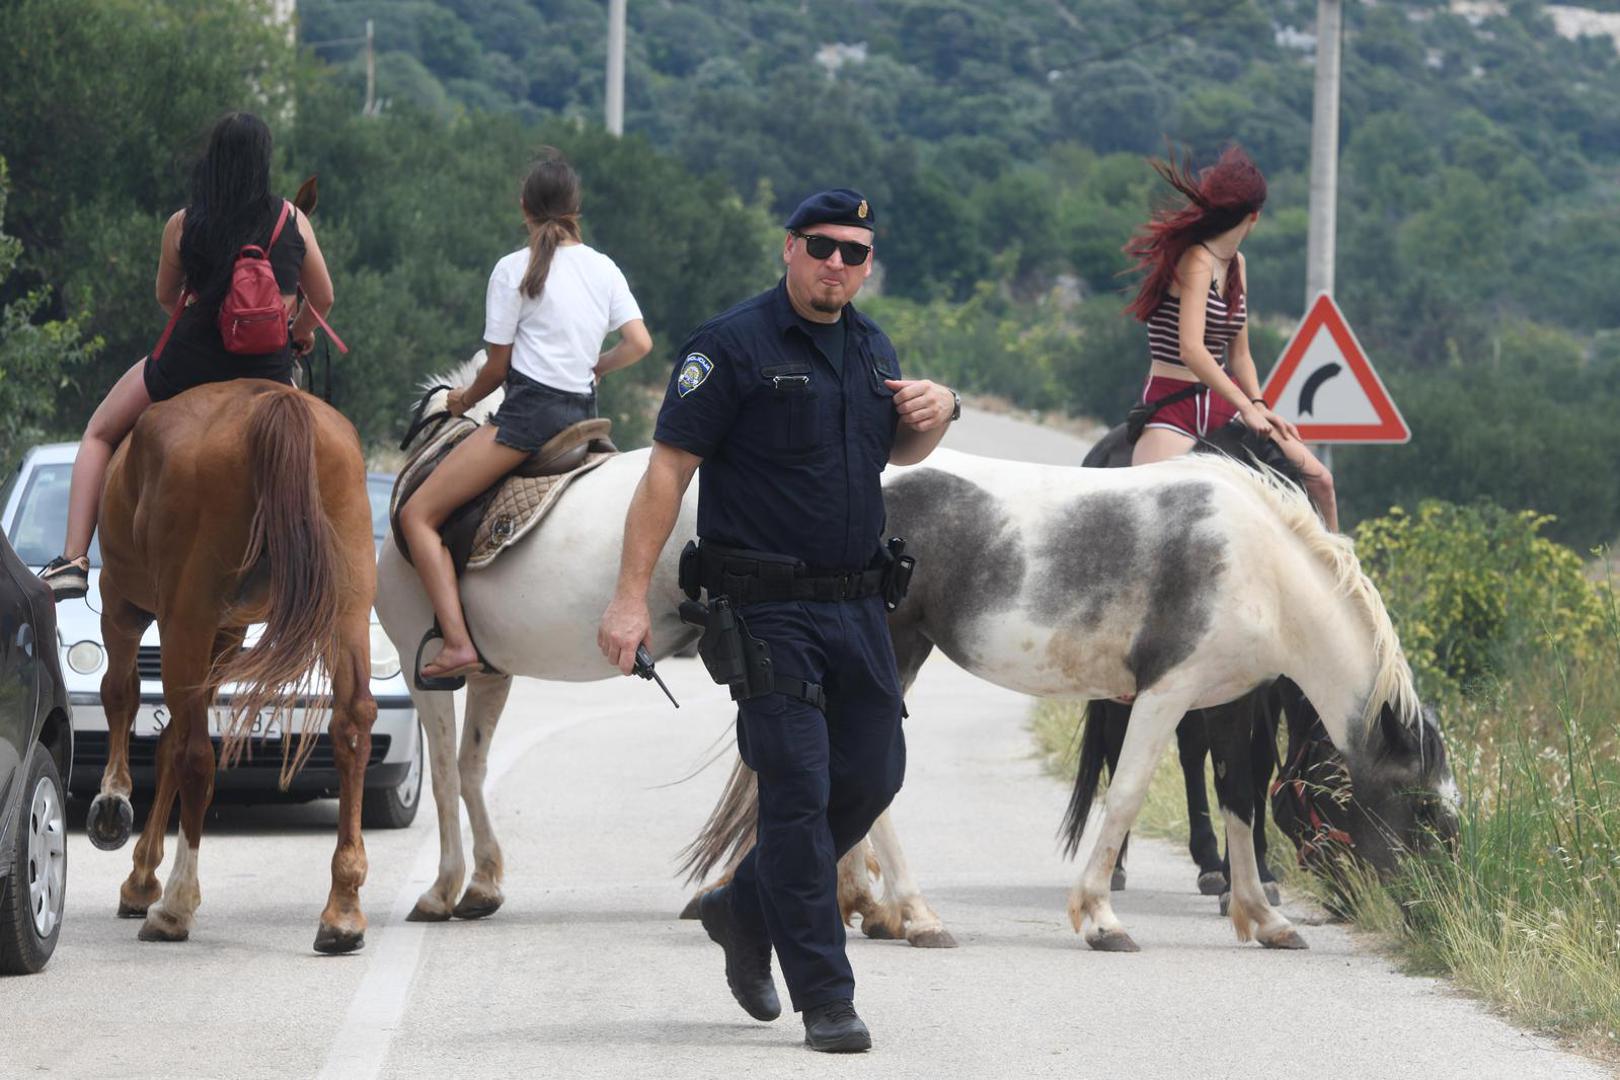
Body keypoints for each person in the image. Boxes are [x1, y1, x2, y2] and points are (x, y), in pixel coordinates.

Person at [598, 189, 959, 1053]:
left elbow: (894, 448)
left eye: (855, 252)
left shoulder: (872, 346)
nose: (839, 264)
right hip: (766, 608)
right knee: (797, 793)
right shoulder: (729, 347)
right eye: (823, 247)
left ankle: (740, 905)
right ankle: (826, 995)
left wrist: (941, 414)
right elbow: (667, 472)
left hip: (859, 604)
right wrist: (627, 597)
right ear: (789, 250)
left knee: (872, 777)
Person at [38, 111, 335, 600]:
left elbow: (165, 296)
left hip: (188, 365)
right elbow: (322, 300)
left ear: (213, 159)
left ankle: (72, 559)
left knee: (98, 432)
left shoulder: (184, 223)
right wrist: (297, 333)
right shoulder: (292, 218)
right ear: (263, 160)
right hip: (269, 371)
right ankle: (317, 553)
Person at [402, 148, 651, 685]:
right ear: (575, 207)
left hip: (526, 422)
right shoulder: (603, 268)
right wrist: (598, 368)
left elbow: (496, 369)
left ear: (524, 206)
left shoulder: (512, 269)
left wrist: (462, 401)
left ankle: (458, 643)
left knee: (416, 516)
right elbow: (640, 343)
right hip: (583, 418)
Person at [1124, 145, 1338, 530]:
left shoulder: (1237, 265)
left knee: (1321, 480)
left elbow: (1240, 354)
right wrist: (1247, 405)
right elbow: (1192, 349)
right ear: (1254, 216)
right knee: (1150, 521)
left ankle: (1335, 586)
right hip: (1173, 406)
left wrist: (1258, 402)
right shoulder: (1196, 260)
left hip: (1222, 402)